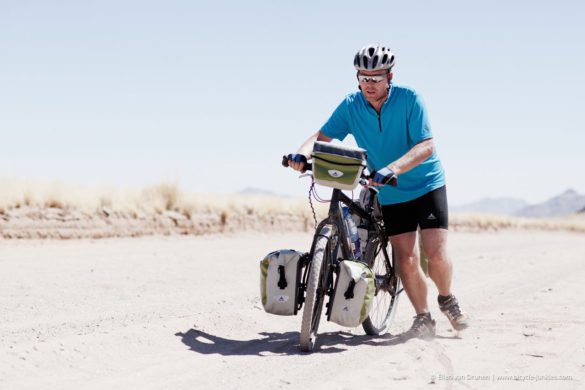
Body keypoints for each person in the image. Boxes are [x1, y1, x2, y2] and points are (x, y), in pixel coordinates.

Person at [288, 43, 469, 339]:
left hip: (426, 184)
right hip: (391, 192)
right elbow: (322, 137)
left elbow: (426, 146)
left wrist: (393, 168)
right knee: (406, 260)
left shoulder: (410, 99)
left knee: (435, 255)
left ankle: (446, 298)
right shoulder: (351, 105)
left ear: (390, 77)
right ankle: (423, 317)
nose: (369, 84)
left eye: (376, 78)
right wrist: (301, 155)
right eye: (364, 77)